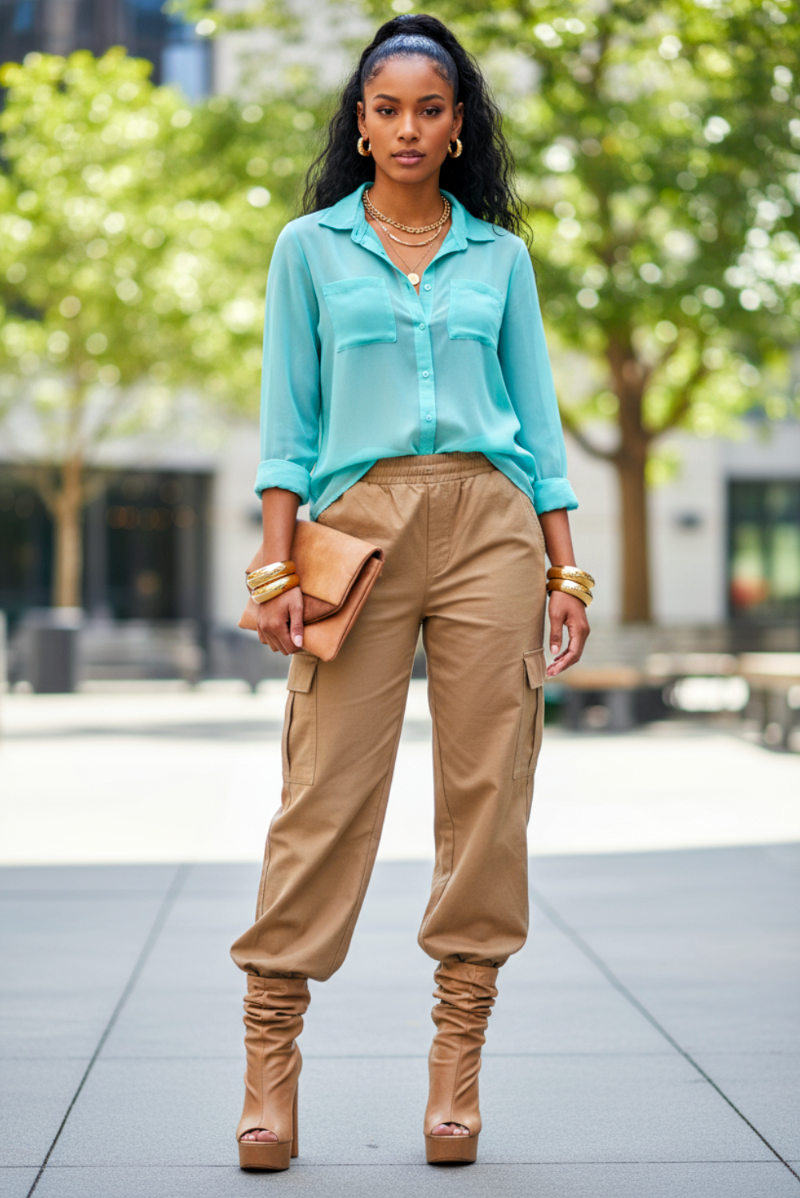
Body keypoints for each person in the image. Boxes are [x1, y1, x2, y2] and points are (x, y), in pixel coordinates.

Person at [230, 12, 592, 1171]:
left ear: (455, 126)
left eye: (428, 109)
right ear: (359, 120)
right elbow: (289, 426)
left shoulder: (499, 257)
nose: (404, 128)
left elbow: (536, 428)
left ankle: (454, 1073)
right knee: (324, 791)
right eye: (384, 107)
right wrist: (277, 562)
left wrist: (565, 566)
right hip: (358, 523)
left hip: (491, 522)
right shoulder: (309, 250)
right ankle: (270, 1071)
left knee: (488, 791)